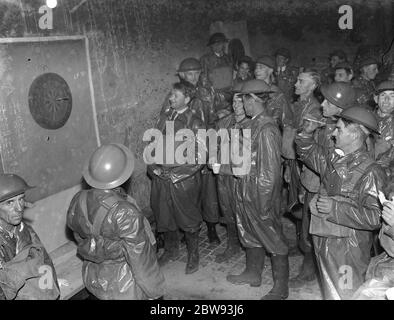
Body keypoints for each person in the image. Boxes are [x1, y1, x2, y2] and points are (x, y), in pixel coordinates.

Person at [295, 106, 386, 299]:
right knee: (331, 290)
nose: (334, 133)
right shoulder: (335, 158)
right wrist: (306, 133)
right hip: (325, 237)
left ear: (354, 135)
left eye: (340, 129)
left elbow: (375, 217)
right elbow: (309, 152)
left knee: (346, 292)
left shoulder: (371, 171)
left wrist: (335, 208)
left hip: (348, 248)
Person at [67, 143, 165, 300]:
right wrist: (155, 291)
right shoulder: (125, 211)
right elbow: (141, 261)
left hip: (94, 277)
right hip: (124, 286)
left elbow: (81, 237)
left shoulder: (78, 200)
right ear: (122, 175)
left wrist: (103, 248)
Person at [221, 79, 289, 300]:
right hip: (246, 190)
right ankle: (253, 273)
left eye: (244, 100)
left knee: (273, 239)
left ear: (253, 100)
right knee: (249, 233)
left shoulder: (267, 128)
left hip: (259, 195)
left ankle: (281, 288)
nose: (242, 105)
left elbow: (269, 173)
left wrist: (261, 202)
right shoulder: (253, 124)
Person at [160, 58, 221, 245]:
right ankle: (188, 227)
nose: (193, 77)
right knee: (188, 192)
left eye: (196, 73)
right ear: (181, 75)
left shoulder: (207, 92)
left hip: (206, 141)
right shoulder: (175, 97)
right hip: (185, 152)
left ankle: (211, 227)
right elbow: (166, 123)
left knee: (209, 192)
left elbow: (215, 116)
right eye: (189, 74)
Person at [148, 82, 205, 274]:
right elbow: (152, 145)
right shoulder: (163, 118)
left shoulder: (195, 122)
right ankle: (171, 251)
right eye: (171, 94)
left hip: (183, 180)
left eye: (176, 95)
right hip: (161, 177)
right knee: (164, 215)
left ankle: (193, 255)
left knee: (188, 218)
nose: (171, 98)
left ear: (187, 99)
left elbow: (201, 156)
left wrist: (175, 174)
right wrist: (154, 168)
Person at [0, 174, 59, 300]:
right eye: (9, 203)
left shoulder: (24, 229)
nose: (19, 208)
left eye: (21, 199)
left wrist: (53, 290)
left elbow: (45, 260)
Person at [254, 55, 293, 130]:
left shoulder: (276, 93)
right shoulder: (252, 88)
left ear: (270, 71)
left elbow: (286, 120)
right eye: (256, 67)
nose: (256, 70)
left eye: (261, 67)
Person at [373, 80, 394, 171]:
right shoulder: (366, 119)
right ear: (376, 99)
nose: (387, 100)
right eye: (383, 95)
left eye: (392, 96)